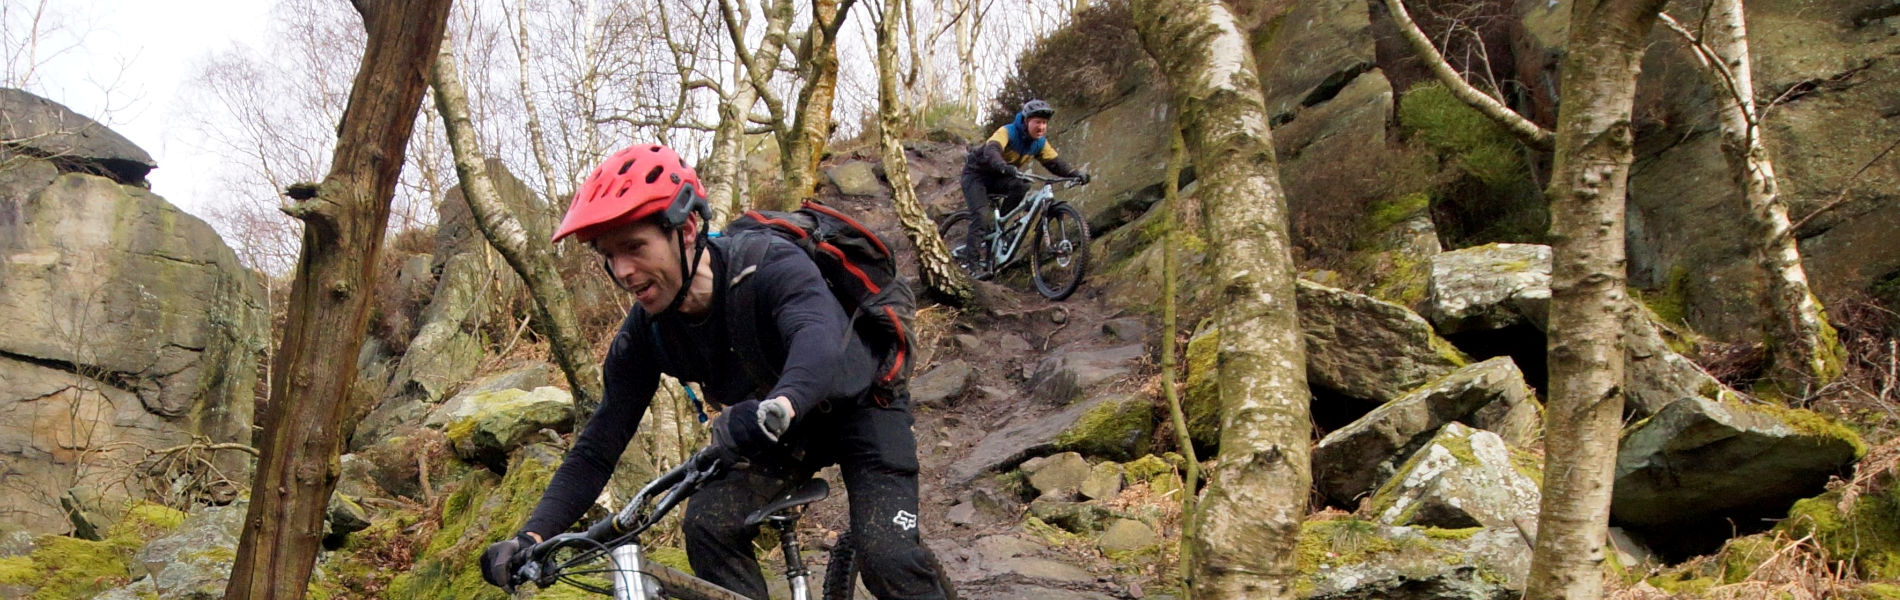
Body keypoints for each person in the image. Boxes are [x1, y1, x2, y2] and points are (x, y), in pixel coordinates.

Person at [478, 144, 947, 600]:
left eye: (634, 246)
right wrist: (531, 537)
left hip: (860, 409)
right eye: (609, 255)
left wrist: (777, 407)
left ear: (686, 229)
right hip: (777, 435)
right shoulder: (646, 333)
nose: (622, 270)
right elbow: (598, 447)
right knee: (708, 526)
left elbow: (817, 339)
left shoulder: (766, 263)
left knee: (887, 559)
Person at [960, 98, 1090, 277]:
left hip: (1001, 176)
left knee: (1022, 185)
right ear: (1026, 121)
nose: (1041, 127)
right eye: (1037, 122)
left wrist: (1076, 173)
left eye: (1044, 123)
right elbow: (991, 150)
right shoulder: (1007, 132)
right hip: (976, 176)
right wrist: (1003, 166)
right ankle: (972, 268)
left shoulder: (1039, 143)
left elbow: (1055, 164)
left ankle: (1003, 226)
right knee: (981, 216)